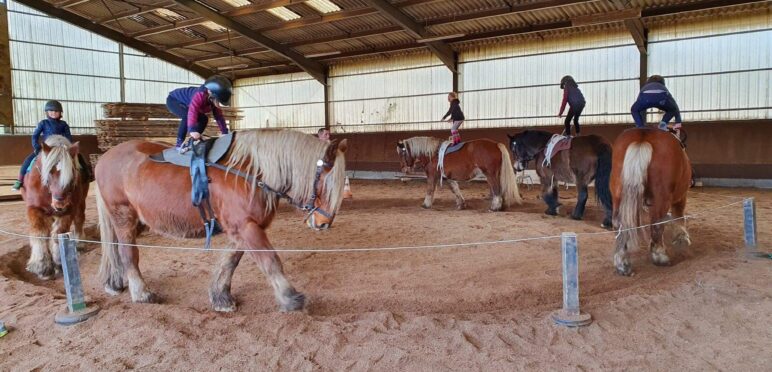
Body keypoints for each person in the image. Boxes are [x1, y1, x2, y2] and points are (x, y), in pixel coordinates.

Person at [12, 100, 92, 191]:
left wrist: (67, 146)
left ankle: (87, 175)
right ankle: (20, 180)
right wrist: (36, 146)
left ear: (60, 113)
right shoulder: (43, 123)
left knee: (80, 157)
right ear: (47, 112)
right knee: (28, 160)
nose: (53, 113)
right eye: (51, 111)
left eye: (56, 111)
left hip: (61, 148)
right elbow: (35, 135)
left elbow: (68, 137)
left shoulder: (64, 124)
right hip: (48, 148)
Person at [166, 75, 232, 151]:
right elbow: (192, 112)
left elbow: (219, 116)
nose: (218, 103)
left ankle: (193, 140)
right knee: (187, 116)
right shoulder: (199, 95)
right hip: (174, 100)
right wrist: (192, 130)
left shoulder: (212, 98)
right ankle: (179, 144)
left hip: (187, 104)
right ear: (210, 92)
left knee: (204, 119)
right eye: (218, 100)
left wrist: (225, 132)